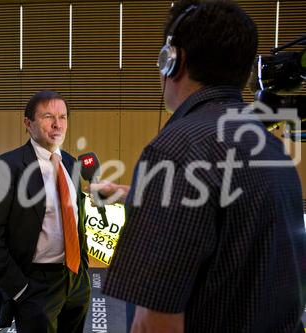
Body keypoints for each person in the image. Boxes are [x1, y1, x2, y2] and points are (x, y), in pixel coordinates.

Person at [101, 1, 306, 332]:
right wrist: (137, 195)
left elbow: (155, 324)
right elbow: (225, 224)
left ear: (173, 60)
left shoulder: (176, 151)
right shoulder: (272, 148)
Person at [0, 90, 91, 333]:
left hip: (75, 280)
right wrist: (20, 290)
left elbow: (77, 223)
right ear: (28, 123)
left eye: (63, 116)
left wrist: (84, 272)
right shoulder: (6, 167)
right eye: (48, 116)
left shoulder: (71, 164)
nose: (57, 124)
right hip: (35, 284)